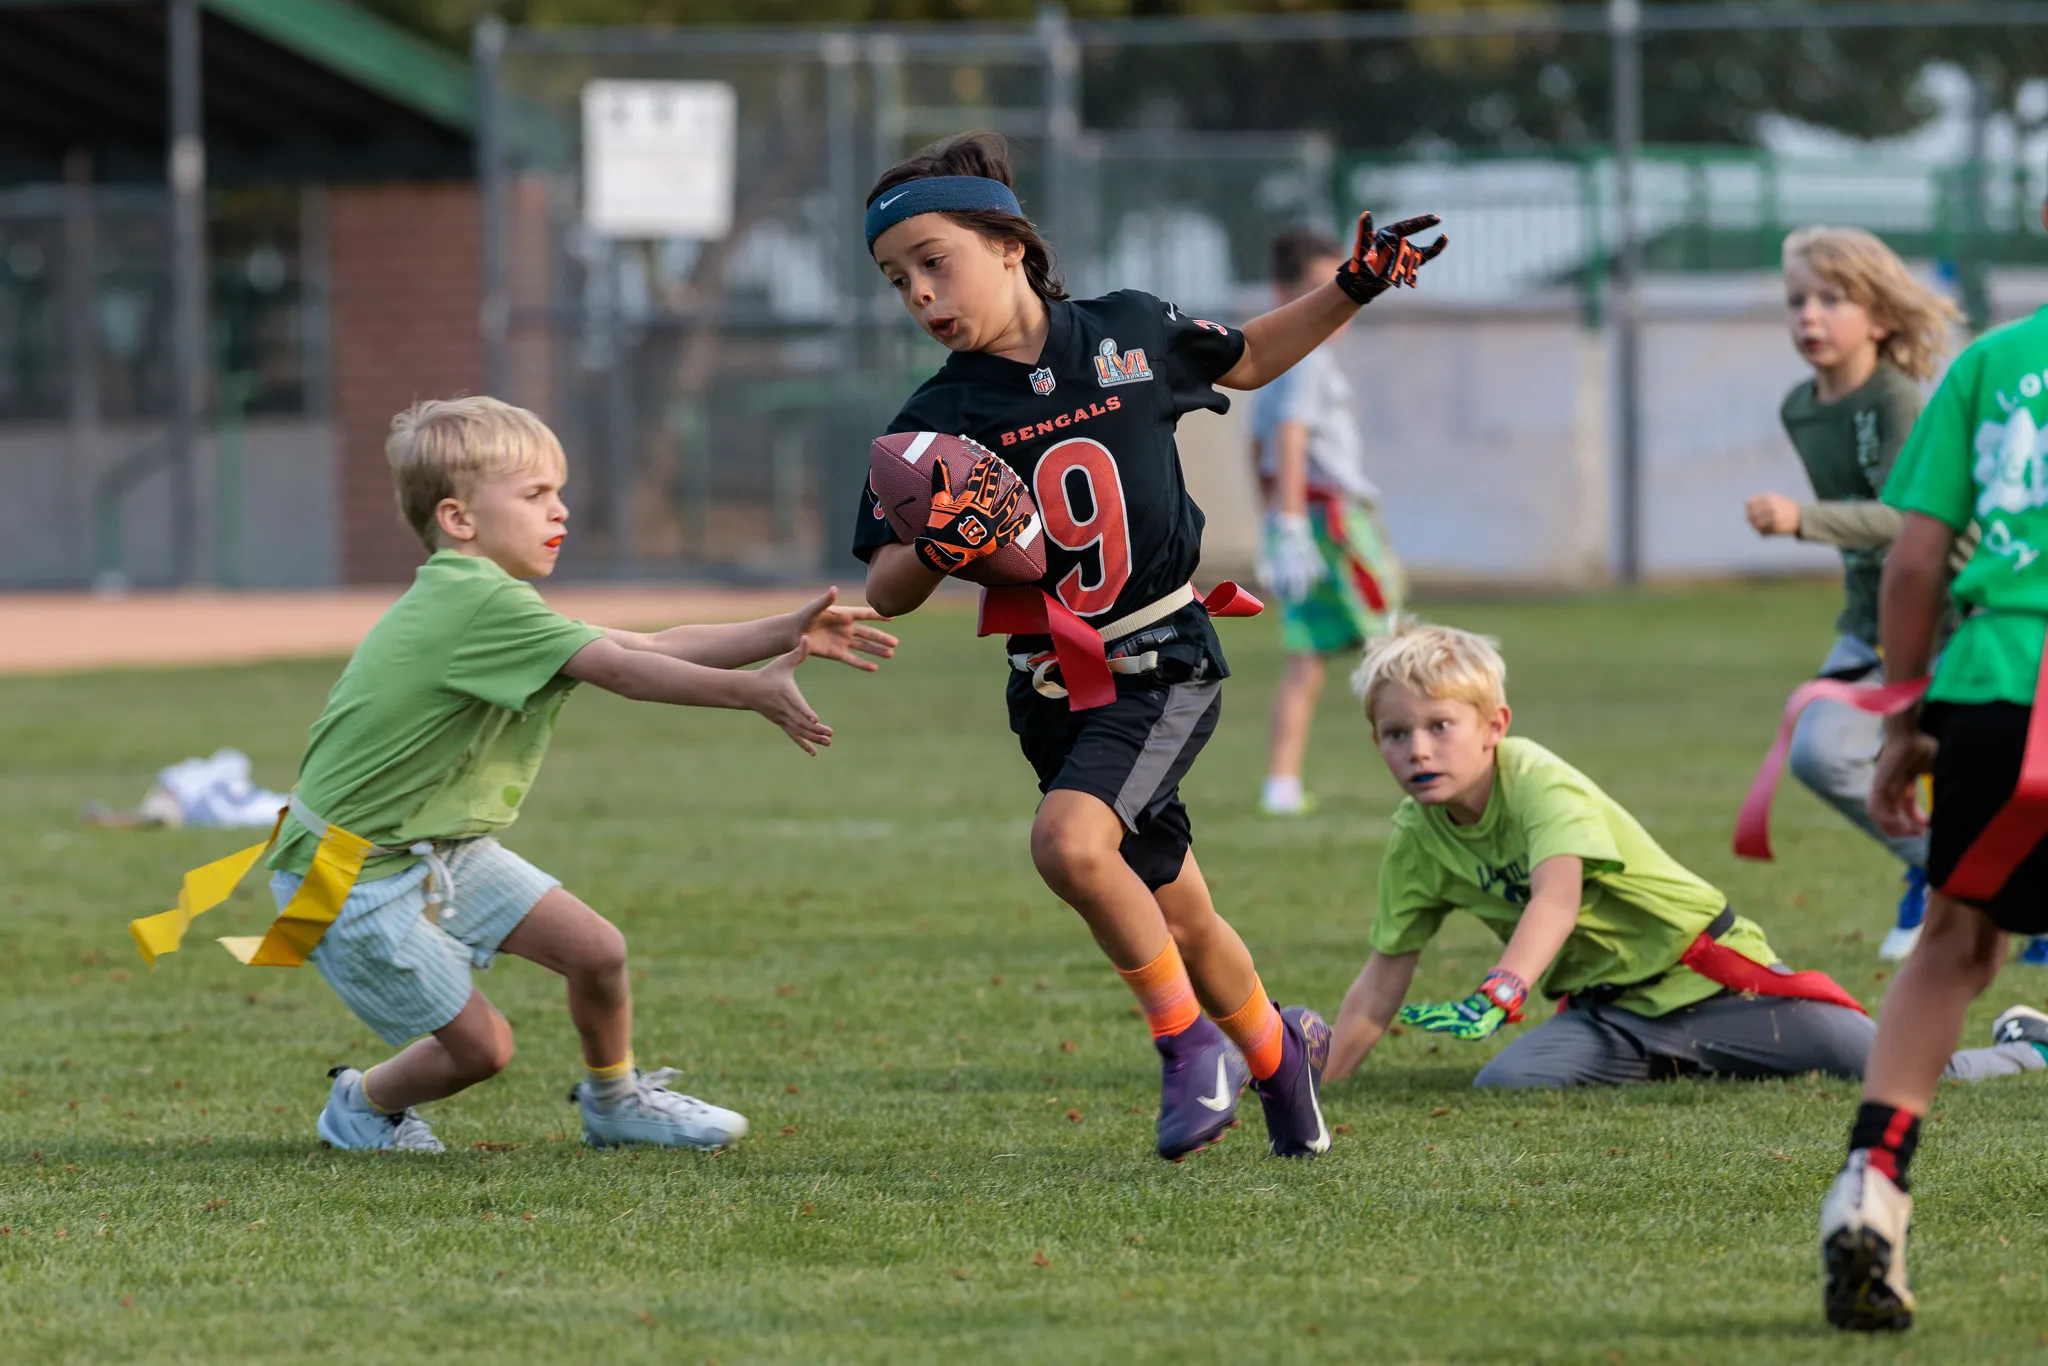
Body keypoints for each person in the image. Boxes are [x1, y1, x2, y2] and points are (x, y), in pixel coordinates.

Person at [851, 132, 1445, 1160]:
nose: (918, 293)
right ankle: (1278, 1061)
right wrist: (937, 545)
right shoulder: (935, 420)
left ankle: (1187, 1049)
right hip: (1049, 686)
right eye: (895, 279)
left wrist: (1351, 287)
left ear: (1008, 245)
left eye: (933, 261)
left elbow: (1248, 358)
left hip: (1158, 654)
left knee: (1067, 845)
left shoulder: (1127, 330)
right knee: (1186, 919)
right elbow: (884, 587)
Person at [132, 397, 896, 1153]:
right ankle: (360, 1104)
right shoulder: (479, 605)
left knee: (597, 952)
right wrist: (752, 690)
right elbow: (626, 673)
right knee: (482, 1051)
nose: (559, 511)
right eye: (535, 495)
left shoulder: (489, 600)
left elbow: (648, 643)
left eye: (558, 492)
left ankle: (616, 1102)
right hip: (342, 874)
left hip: (435, 846)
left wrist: (783, 630)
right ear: (460, 519)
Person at [1323, 622, 2044, 1098]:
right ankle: (1669, 1058)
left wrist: (1505, 987)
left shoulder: (1536, 777)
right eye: (1394, 734)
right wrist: (1315, 1084)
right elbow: (1386, 973)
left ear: (1494, 728)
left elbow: (1556, 898)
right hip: (1614, 1015)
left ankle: (2022, 1045)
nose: (1417, 749)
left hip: (1716, 984)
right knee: (1504, 1085)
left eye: (1439, 726)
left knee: (1907, 1071)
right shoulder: (1414, 835)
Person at [1819, 214, 2048, 1329]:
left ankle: (1870, 1181)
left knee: (1955, 941)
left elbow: (1912, 560)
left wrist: (1908, 711)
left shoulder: (1994, 365)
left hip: (1995, 681)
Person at [1741, 227, 1974, 962]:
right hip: (1872, 625)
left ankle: (1988, 893)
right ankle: (1938, 867)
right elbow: (1869, 543)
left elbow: (1910, 525)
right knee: (1817, 751)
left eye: (1831, 299)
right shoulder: (1799, 407)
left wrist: (1802, 520)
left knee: (1986, 763)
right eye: (1796, 301)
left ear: (1878, 318)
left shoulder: (1898, 398)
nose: (1808, 316)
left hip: (1959, 620)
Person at [1250, 227, 1406, 817]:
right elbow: (1288, 438)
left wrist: (1274, 521)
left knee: (1307, 658)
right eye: (1318, 287)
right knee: (1397, 645)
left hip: (1302, 517)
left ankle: (1281, 783)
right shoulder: (1307, 357)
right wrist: (1290, 524)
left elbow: (1256, 448)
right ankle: (1437, 764)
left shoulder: (1272, 359)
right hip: (1334, 521)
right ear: (1282, 292)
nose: (1337, 298)